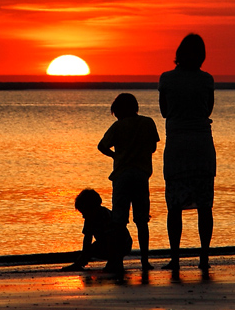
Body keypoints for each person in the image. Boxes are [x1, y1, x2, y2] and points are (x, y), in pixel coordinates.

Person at [158, 33, 216, 273]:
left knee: (174, 205)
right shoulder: (207, 80)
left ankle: (175, 257)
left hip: (178, 145)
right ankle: (203, 256)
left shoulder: (167, 79)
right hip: (202, 144)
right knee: (205, 205)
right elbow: (208, 109)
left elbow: (164, 111)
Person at [97, 93, 161, 272]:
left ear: (118, 111)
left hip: (122, 176)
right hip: (141, 176)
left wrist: (115, 155)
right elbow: (153, 147)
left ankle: (116, 261)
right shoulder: (148, 122)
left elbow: (102, 146)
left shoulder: (118, 126)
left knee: (118, 221)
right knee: (142, 221)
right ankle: (145, 261)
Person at [61, 188, 133, 273]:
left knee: (111, 241)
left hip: (123, 244)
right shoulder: (89, 218)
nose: (83, 216)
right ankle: (81, 263)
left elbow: (112, 238)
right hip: (108, 243)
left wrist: (112, 260)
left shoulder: (105, 216)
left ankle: (114, 262)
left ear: (91, 207)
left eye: (84, 212)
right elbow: (87, 239)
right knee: (92, 247)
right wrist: (84, 256)